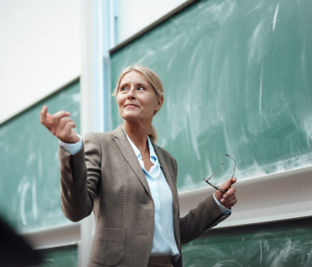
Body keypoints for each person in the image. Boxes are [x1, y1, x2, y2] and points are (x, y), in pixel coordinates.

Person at [40, 65, 237, 267]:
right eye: (124, 88)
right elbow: (76, 211)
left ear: (158, 102)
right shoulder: (100, 144)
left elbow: (172, 234)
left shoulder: (168, 161)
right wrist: (72, 148)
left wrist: (216, 204)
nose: (130, 94)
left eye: (140, 88)